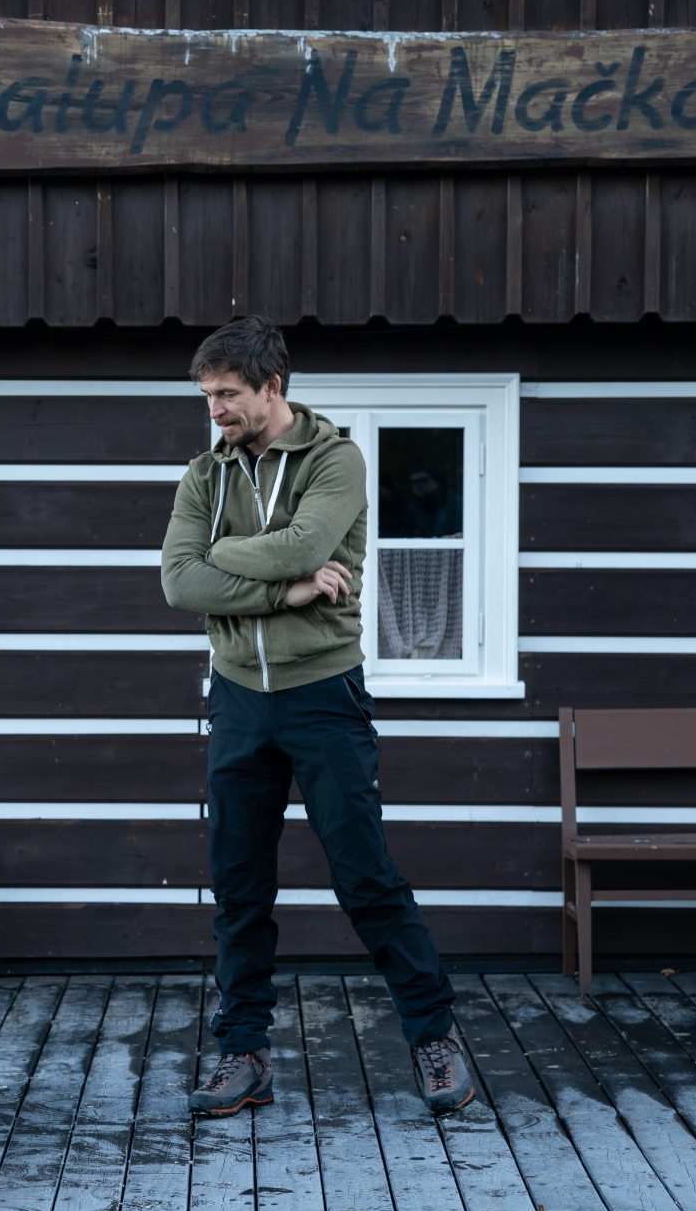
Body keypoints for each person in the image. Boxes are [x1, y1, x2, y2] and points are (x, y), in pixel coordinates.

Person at [160, 315, 474, 1118]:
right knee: (239, 884)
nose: (214, 410)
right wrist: (286, 590)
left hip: (323, 694)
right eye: (206, 396)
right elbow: (177, 582)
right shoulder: (205, 475)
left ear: (272, 386)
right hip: (237, 698)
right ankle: (244, 1053)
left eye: (227, 394)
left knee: (365, 876)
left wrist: (228, 557)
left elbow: (299, 547)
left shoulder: (337, 459)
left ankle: (435, 1036)